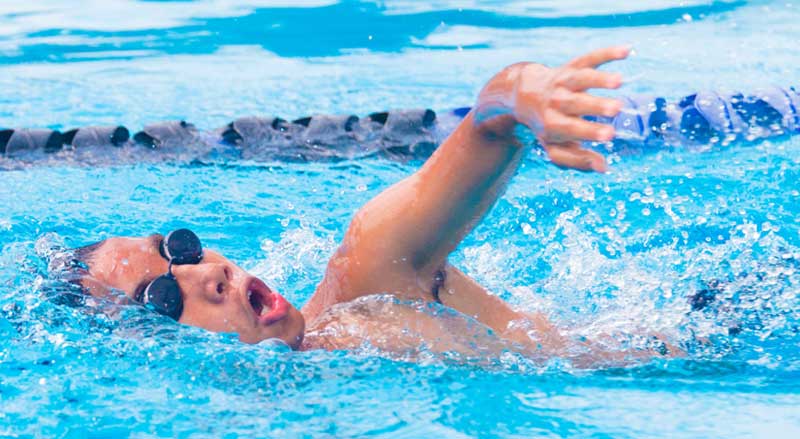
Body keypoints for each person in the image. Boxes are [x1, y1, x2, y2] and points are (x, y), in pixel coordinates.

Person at [70, 46, 672, 366]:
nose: (209, 273)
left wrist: (528, 97)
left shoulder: (366, 280)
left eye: (181, 248)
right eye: (163, 297)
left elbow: (489, 124)